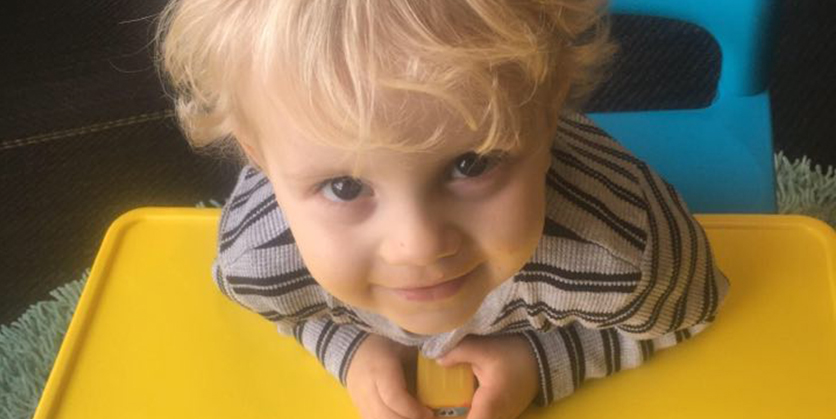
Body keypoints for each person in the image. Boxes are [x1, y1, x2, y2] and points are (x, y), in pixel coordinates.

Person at [157, 1, 729, 418]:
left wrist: (541, 359)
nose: (418, 245)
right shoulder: (256, 259)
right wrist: (350, 350)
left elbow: (692, 308)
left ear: (551, 112)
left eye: (472, 164)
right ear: (259, 161)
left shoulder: (624, 256)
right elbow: (283, 313)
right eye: (344, 187)